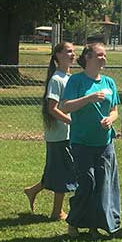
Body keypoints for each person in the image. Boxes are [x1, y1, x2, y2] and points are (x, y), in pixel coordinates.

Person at [60, 43, 121, 239]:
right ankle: (74, 222)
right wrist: (89, 98)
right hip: (82, 142)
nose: (104, 58)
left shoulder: (109, 82)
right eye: (99, 55)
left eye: (105, 55)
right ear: (88, 57)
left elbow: (114, 110)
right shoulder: (76, 81)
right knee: (87, 183)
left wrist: (110, 120)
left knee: (103, 185)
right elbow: (65, 107)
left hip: (105, 143)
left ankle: (96, 226)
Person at [24, 42, 77, 220]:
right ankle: (57, 212)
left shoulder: (69, 78)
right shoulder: (56, 79)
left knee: (58, 169)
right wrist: (71, 121)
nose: (73, 54)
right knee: (63, 171)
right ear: (58, 56)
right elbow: (52, 109)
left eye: (74, 51)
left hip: (68, 133)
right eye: (68, 51)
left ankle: (33, 191)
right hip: (59, 134)